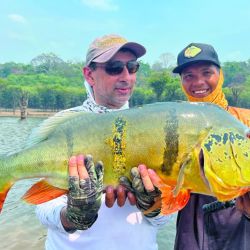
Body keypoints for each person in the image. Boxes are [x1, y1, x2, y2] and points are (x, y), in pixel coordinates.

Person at [36, 34, 170, 250]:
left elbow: (162, 221)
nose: (126, 76)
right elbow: (43, 209)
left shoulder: (154, 129)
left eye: (132, 67)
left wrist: (154, 206)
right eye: (115, 67)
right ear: (89, 74)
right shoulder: (69, 126)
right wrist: (73, 215)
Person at [170, 43, 250, 250]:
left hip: (241, 222)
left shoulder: (246, 121)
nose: (198, 82)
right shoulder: (175, 121)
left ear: (220, 75)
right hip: (191, 223)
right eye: (188, 76)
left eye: (207, 72)